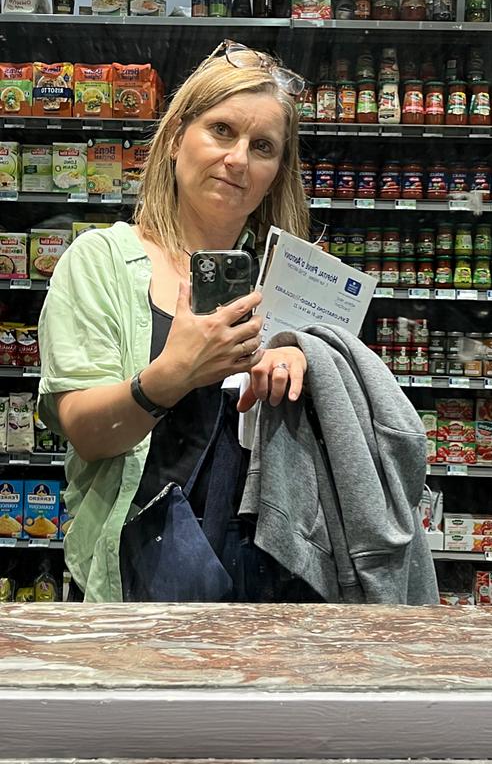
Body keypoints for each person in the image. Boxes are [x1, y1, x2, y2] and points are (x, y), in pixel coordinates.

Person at [38, 40, 314, 602]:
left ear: (276, 173)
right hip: (137, 589)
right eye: (221, 130)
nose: (238, 159)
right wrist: (172, 375)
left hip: (272, 587)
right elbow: (85, 433)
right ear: (174, 140)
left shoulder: (291, 280)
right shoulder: (102, 263)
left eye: (262, 146)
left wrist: (308, 364)